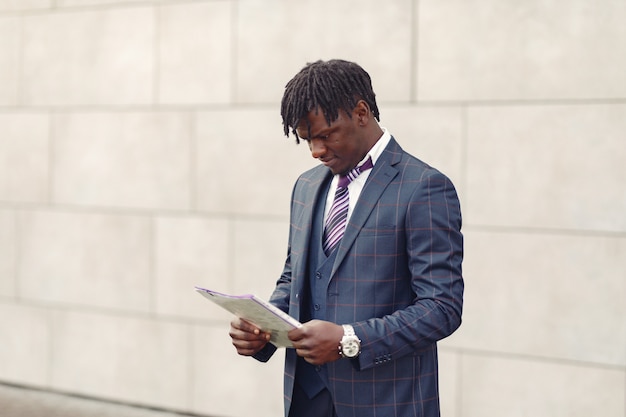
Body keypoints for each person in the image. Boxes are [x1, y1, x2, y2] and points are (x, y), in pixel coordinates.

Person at [229, 59, 464, 417]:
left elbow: (442, 308)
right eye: (307, 140)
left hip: (385, 403)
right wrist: (265, 328)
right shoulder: (306, 185)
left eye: (325, 135)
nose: (316, 151)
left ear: (361, 112)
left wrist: (348, 340)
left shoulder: (424, 188)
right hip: (306, 401)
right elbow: (296, 278)